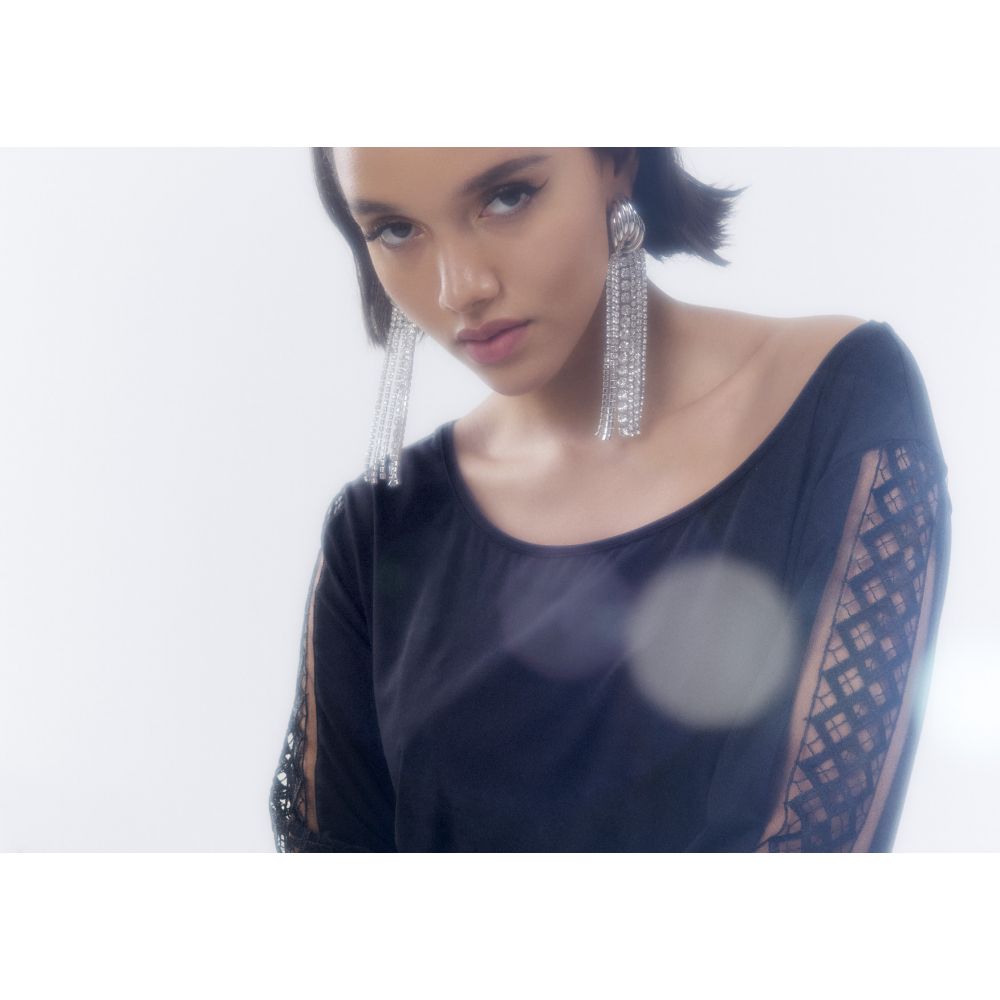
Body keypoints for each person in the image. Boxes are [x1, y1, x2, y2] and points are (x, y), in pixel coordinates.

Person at [269, 148, 952, 852]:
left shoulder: (838, 406)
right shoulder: (377, 530)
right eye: (396, 230)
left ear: (618, 160)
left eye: (507, 197)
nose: (460, 289)